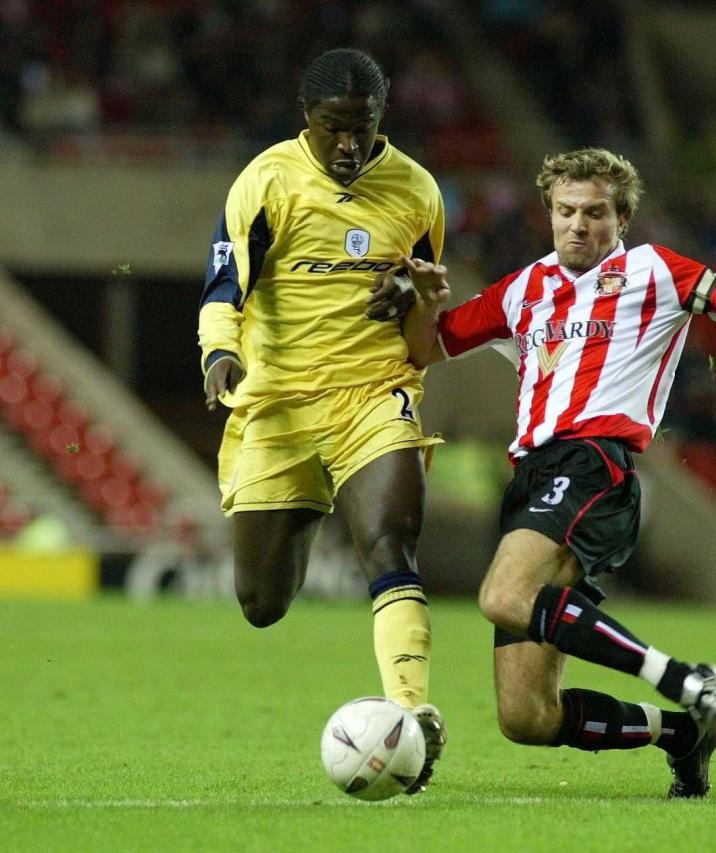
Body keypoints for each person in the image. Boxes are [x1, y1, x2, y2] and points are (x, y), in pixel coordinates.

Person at [382, 147, 716, 798]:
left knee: (502, 594)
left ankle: (687, 679)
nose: (577, 225)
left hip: (594, 464)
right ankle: (681, 732)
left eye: (594, 213)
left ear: (622, 218)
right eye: (565, 211)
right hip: (532, 477)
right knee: (527, 716)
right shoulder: (523, 288)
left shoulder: (654, 272)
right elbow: (425, 348)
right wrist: (420, 301)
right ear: (548, 212)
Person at [197, 48, 447, 794]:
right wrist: (219, 355)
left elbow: (425, 311)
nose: (348, 144)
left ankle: (412, 717)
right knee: (262, 602)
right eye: (334, 128)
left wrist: (416, 293)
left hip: (373, 392)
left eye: (362, 128)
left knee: (387, 542)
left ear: (381, 119)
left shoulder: (417, 191)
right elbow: (222, 284)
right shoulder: (267, 181)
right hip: (277, 404)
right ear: (305, 119)